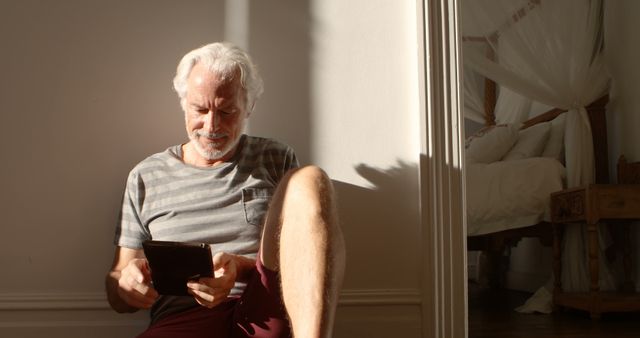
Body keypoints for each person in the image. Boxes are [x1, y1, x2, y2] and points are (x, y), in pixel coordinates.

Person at [105, 42, 346, 338]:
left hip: (264, 307)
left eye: (227, 111)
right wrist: (126, 285)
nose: (211, 125)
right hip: (184, 316)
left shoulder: (274, 157)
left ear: (249, 107)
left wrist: (240, 268)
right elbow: (117, 288)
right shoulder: (146, 176)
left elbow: (300, 251)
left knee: (310, 179)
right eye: (200, 109)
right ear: (184, 103)